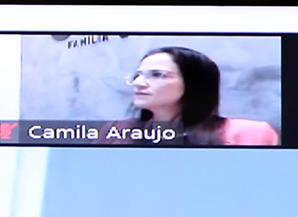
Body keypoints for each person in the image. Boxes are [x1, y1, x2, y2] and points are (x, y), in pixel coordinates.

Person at [117, 46, 279, 146]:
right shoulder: (118, 132)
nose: (138, 83)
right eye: (137, 75)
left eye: (157, 74)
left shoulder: (250, 133)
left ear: (194, 82)